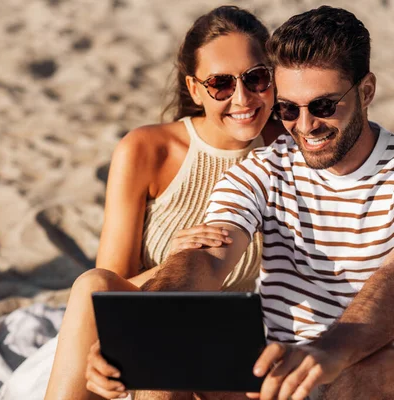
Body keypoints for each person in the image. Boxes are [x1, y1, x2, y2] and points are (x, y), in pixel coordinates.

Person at [85, 5, 394, 400]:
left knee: (374, 365)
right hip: (278, 382)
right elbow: (206, 256)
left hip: (378, 380)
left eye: (324, 106)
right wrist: (140, 329)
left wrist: (327, 351)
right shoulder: (263, 167)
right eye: (289, 108)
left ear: (366, 91)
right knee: (166, 340)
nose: (305, 126)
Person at [44, 6, 281, 400]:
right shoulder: (148, 149)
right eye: (221, 84)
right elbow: (109, 288)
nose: (243, 98)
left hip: (242, 354)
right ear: (194, 89)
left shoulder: (288, 150)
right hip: (153, 333)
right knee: (92, 285)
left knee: (178, 346)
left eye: (256, 78)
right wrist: (178, 264)